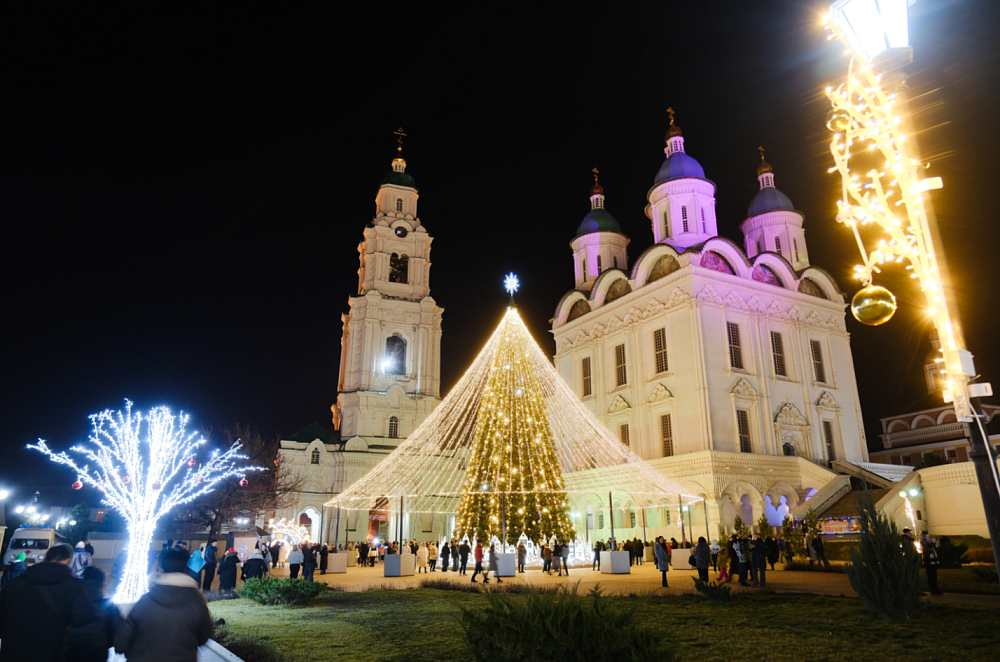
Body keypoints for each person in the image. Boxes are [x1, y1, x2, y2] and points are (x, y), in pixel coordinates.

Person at [0, 542, 97, 662]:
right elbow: (85, 616)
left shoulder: (15, 584)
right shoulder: (73, 586)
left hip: (11, 652)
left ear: (45, 559)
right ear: (67, 560)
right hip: (49, 651)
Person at [114, 548, 214, 662]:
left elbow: (121, 643)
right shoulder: (197, 601)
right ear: (186, 569)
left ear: (161, 570)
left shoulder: (146, 601)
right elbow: (204, 635)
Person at [66, 566, 123, 662]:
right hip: (98, 653)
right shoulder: (109, 606)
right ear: (102, 584)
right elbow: (117, 634)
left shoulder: (70, 601)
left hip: (71, 652)